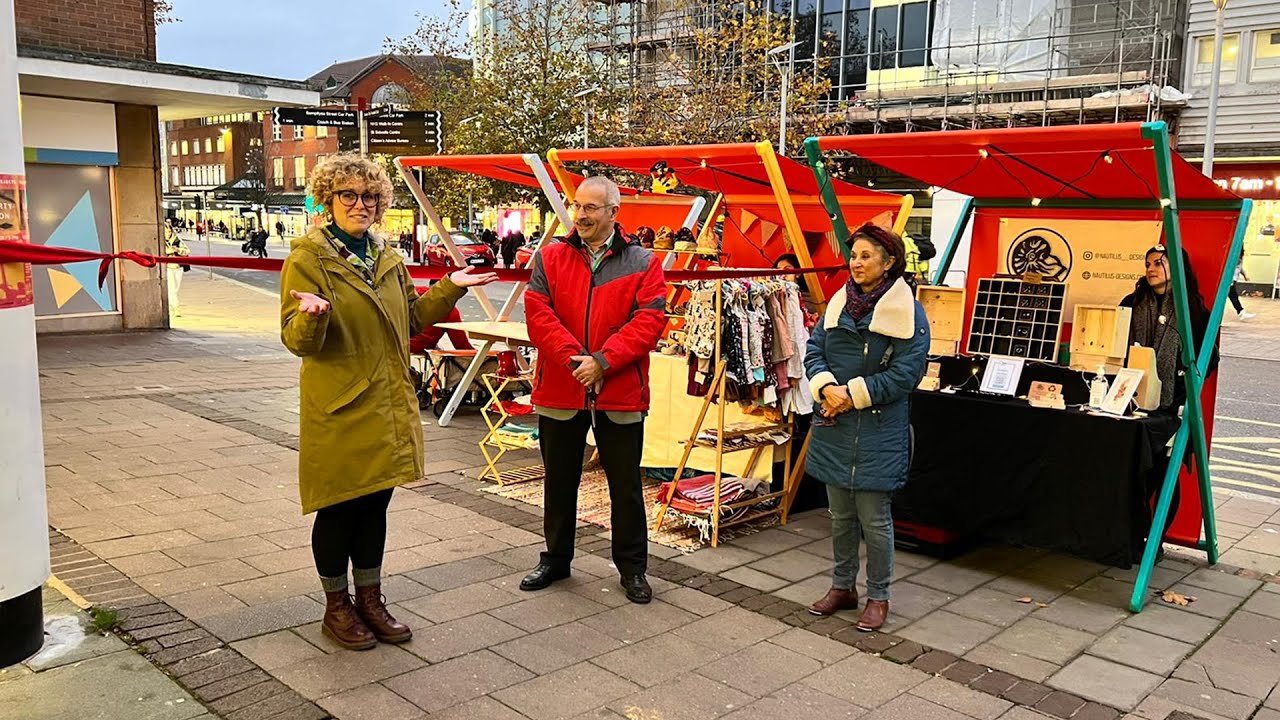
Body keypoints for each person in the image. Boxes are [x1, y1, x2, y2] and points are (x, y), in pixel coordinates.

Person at [281, 153, 497, 651]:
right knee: (338, 509)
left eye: (370, 197)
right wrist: (312, 315)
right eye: (349, 195)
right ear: (328, 200)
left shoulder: (386, 258)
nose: (361, 204)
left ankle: (370, 598)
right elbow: (297, 340)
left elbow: (412, 321)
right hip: (340, 406)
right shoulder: (309, 259)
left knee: (376, 505)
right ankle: (337, 606)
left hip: (387, 403)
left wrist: (450, 287)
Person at [521, 175, 667, 603]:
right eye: (576, 206)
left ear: (613, 213)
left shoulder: (644, 261)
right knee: (559, 481)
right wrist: (577, 362)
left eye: (590, 208)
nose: (580, 215)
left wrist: (603, 361)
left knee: (625, 487)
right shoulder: (549, 258)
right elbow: (538, 316)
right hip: (562, 387)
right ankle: (555, 559)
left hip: (619, 389)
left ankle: (633, 569)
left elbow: (650, 321)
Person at [804, 223, 929, 631]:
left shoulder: (908, 311)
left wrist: (851, 394)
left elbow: (907, 373)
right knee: (839, 516)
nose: (856, 263)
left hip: (879, 429)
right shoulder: (839, 302)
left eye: (866, 256)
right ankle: (843, 587)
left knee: (875, 519)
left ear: (889, 262)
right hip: (834, 424)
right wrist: (825, 386)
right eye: (854, 255)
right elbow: (813, 349)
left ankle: (879, 595)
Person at [1119, 245, 1219, 555]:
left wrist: (1180, 378)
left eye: (1159, 263)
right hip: (1131, 402)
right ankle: (1134, 536)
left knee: (1164, 473)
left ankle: (1154, 542)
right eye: (1147, 263)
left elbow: (1209, 358)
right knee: (1132, 473)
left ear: (1176, 267)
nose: (1150, 269)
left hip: (1171, 405)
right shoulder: (1132, 303)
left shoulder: (1192, 311)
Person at [164, 225, 191, 317]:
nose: (166, 234)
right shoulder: (161, 242)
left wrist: (178, 250)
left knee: (175, 289)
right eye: (165, 232)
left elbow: (187, 251)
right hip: (167, 267)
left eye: (168, 232)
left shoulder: (177, 240)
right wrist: (167, 251)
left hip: (178, 267)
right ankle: (176, 308)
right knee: (171, 288)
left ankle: (171, 305)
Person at [1228, 250, 1255, 321]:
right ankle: (1241, 312)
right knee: (1233, 296)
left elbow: (1239, 268)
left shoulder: (1238, 258)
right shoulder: (1235, 257)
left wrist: (1245, 275)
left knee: (1233, 296)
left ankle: (1241, 312)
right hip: (1230, 279)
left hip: (1233, 278)